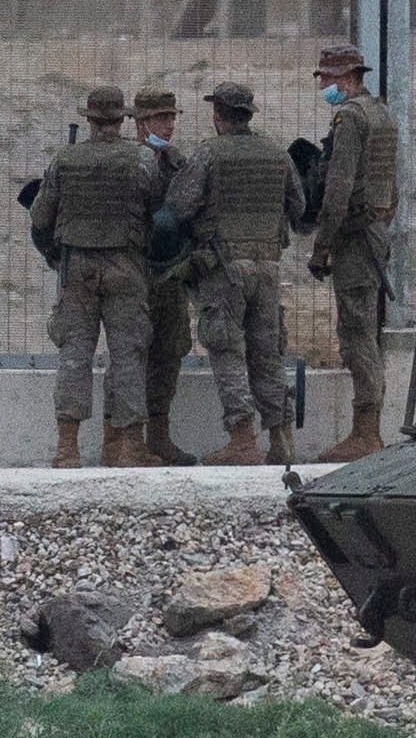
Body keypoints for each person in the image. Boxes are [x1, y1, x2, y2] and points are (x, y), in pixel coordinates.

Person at [33, 83, 161, 467]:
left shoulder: (65, 160)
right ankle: (127, 446)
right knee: (128, 355)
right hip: (126, 263)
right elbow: (159, 214)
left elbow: (41, 217)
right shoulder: (142, 160)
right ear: (122, 119)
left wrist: (55, 251)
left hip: (78, 267)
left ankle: (67, 448)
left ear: (89, 119)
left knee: (75, 353)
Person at [187, 80, 303, 462]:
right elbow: (299, 206)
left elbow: (179, 206)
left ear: (218, 115)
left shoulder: (209, 154)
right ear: (248, 114)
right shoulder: (276, 153)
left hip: (226, 270)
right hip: (268, 267)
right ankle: (281, 439)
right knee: (268, 353)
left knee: (227, 349)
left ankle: (242, 440)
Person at [305, 39, 401, 458]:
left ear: (345, 79)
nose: (323, 85)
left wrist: (321, 247)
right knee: (365, 328)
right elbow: (390, 186)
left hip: (356, 237)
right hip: (375, 231)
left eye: (327, 78)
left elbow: (338, 187)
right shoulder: (381, 114)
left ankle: (365, 433)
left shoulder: (349, 119)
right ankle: (367, 428)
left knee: (357, 331)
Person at [128, 87, 202, 467]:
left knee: (169, 352)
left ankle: (158, 436)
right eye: (161, 118)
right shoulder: (126, 161)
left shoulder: (179, 163)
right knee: (131, 353)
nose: (169, 124)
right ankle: (126, 438)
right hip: (133, 273)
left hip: (171, 273)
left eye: (172, 117)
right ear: (141, 123)